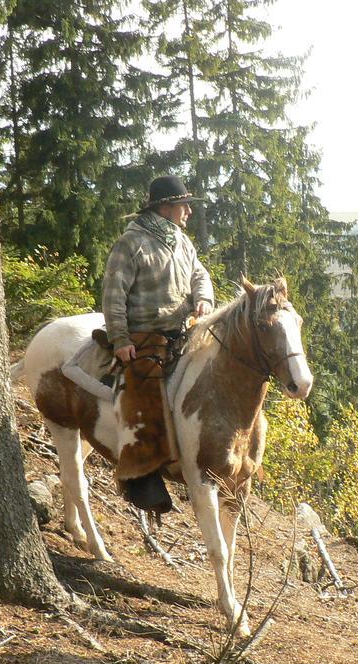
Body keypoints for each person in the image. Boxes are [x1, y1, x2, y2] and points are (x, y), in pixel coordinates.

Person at [101, 175, 214, 513]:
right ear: (165, 207)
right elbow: (113, 294)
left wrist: (204, 299)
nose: (188, 212)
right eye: (183, 206)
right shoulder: (130, 243)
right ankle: (142, 473)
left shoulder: (180, 239)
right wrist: (120, 339)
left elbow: (200, 274)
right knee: (144, 388)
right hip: (144, 334)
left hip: (182, 329)